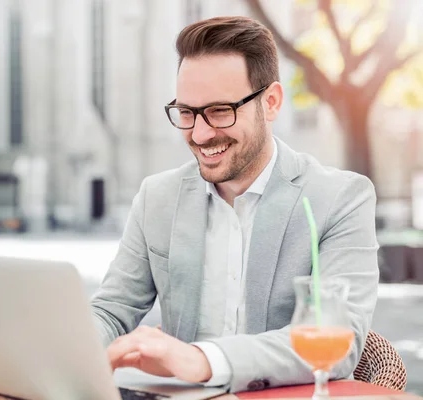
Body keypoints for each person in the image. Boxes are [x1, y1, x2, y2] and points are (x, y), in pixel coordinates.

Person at [90, 16, 379, 393]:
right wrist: (62, 349)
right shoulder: (157, 197)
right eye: (187, 113)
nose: (200, 134)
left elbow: (338, 340)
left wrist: (202, 359)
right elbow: (111, 311)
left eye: (220, 110)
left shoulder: (340, 198)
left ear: (271, 101)